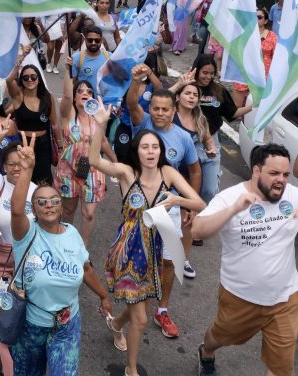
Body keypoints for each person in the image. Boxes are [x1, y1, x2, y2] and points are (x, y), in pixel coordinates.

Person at [88, 99, 205, 376]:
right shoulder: (128, 173)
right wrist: (101, 124)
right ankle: (131, 370)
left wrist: (177, 199)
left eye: (155, 147)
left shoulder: (169, 173)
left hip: (156, 250)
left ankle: (116, 323)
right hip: (128, 251)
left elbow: (199, 204)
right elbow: (94, 160)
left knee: (141, 301)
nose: (151, 151)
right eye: (145, 147)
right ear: (137, 151)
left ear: (161, 151)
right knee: (140, 319)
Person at [9, 131, 113, 375]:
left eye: (54, 200)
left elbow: (86, 269)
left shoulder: (72, 234)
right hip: (31, 325)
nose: (49, 205)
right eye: (41, 202)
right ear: (33, 210)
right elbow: (16, 211)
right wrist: (27, 168)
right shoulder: (26, 234)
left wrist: (103, 296)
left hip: (67, 325)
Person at [192, 144, 298, 376]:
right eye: (274, 174)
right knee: (218, 337)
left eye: (285, 174)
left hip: (284, 299)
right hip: (240, 297)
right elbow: (197, 231)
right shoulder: (229, 198)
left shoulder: (292, 195)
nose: (281, 180)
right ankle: (206, 352)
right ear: (256, 171)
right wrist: (233, 209)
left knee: (282, 369)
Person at [127, 64, 202, 339]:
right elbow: (132, 102)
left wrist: (185, 205)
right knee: (140, 261)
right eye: (155, 108)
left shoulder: (184, 137)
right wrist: (136, 81)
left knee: (170, 262)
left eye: (164, 109)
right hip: (138, 208)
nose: (159, 113)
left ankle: (162, 311)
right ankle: (132, 306)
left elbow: (195, 170)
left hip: (168, 209)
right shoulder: (142, 121)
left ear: (174, 111)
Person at [0, 119, 35, 376]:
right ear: (3, 166)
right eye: (10, 163)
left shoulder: (37, 191)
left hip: (27, 261)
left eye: (19, 163)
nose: (15, 168)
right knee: (6, 315)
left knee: (24, 314)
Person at [171, 55, 253, 204]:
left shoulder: (219, 91)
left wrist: (253, 107)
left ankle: (202, 215)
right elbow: (163, 100)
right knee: (184, 186)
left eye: (211, 73)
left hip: (210, 140)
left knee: (209, 190)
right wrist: (179, 85)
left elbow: (232, 113)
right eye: (204, 72)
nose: (208, 76)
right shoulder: (186, 86)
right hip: (187, 140)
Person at [55, 57, 116, 249]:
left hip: (92, 170)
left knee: (89, 213)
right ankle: (64, 243)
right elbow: (65, 98)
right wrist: (67, 70)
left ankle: (83, 247)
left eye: (89, 91)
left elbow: (104, 142)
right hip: (67, 170)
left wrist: (116, 165)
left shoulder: (97, 116)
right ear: (74, 97)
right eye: (80, 91)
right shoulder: (68, 114)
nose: (85, 93)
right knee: (68, 210)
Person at [171, 83, 216, 277]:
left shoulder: (199, 119)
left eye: (195, 95)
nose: (191, 97)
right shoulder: (168, 114)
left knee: (187, 219)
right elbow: (160, 98)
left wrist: (211, 148)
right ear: (178, 96)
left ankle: (183, 260)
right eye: (187, 93)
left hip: (189, 175)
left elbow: (207, 139)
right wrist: (178, 84)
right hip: (165, 173)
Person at [7, 45, 61, 185]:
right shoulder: (18, 97)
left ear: (38, 79)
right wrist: (21, 58)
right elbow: (9, 80)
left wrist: (60, 146)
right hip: (22, 144)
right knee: (22, 180)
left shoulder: (47, 98)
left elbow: (54, 124)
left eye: (33, 76)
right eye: (25, 77)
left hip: (43, 145)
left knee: (42, 182)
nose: (30, 80)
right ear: (22, 81)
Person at [231, 8, 277, 107]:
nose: (256, 19)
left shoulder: (272, 36)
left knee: (256, 106)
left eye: (259, 17)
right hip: (244, 72)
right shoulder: (244, 33)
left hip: (262, 75)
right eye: (253, 17)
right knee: (238, 106)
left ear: (265, 21)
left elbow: (275, 58)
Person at [71, 25, 110, 91]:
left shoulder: (109, 57)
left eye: (97, 40)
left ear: (101, 40)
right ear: (85, 40)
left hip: (104, 100)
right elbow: (71, 83)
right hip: (85, 100)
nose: (93, 43)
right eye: (90, 40)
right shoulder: (76, 58)